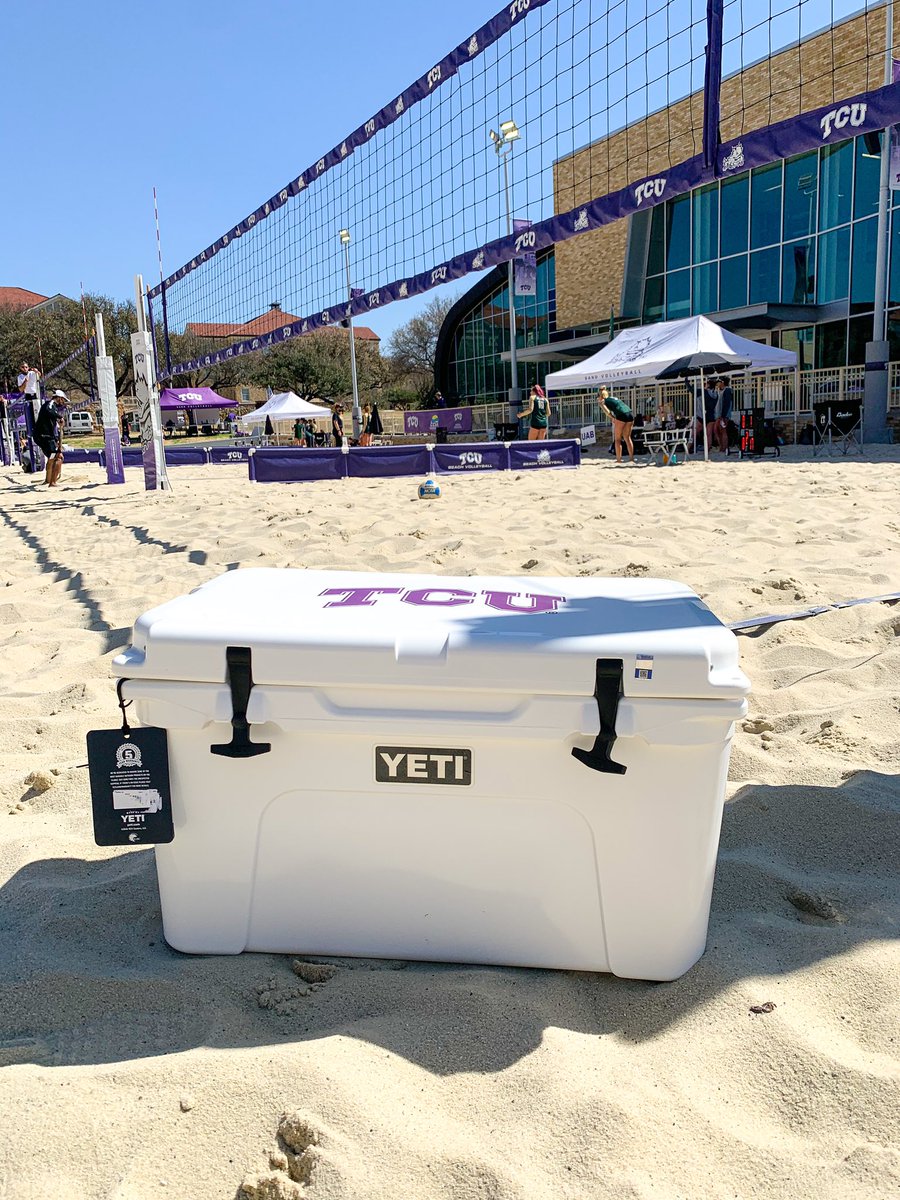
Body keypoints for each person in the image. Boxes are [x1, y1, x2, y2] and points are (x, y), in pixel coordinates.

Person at [33, 390, 67, 486]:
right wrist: (59, 417)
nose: (63, 402)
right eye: (63, 400)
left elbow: (51, 426)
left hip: (45, 437)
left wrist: (56, 440)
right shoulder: (50, 404)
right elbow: (49, 410)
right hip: (44, 437)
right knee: (58, 457)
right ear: (59, 398)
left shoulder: (53, 408)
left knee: (51, 457)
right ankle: (52, 482)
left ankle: (48, 479)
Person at [598, 385, 634, 464]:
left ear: (600, 397)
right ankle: (631, 458)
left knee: (617, 439)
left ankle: (619, 459)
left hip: (621, 415)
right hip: (630, 414)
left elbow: (607, 412)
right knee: (627, 438)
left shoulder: (603, 401)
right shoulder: (613, 398)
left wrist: (612, 418)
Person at [715, 378, 734, 452]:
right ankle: (722, 446)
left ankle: (724, 447)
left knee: (723, 430)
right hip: (719, 414)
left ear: (722, 382)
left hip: (724, 415)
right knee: (717, 430)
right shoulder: (720, 391)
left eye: (718, 383)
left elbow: (727, 404)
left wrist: (723, 415)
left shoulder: (727, 391)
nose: (717, 384)